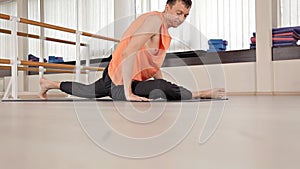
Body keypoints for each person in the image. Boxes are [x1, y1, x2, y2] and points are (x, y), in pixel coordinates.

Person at [39, 0, 225, 101]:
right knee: (160, 87)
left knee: (88, 91)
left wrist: (165, 90)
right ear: (167, 7)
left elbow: (153, 65)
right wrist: (129, 93)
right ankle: (199, 93)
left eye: (185, 15)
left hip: (120, 74)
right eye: (178, 13)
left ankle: (49, 84)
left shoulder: (165, 33)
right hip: (118, 78)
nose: (182, 19)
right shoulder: (154, 21)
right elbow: (129, 52)